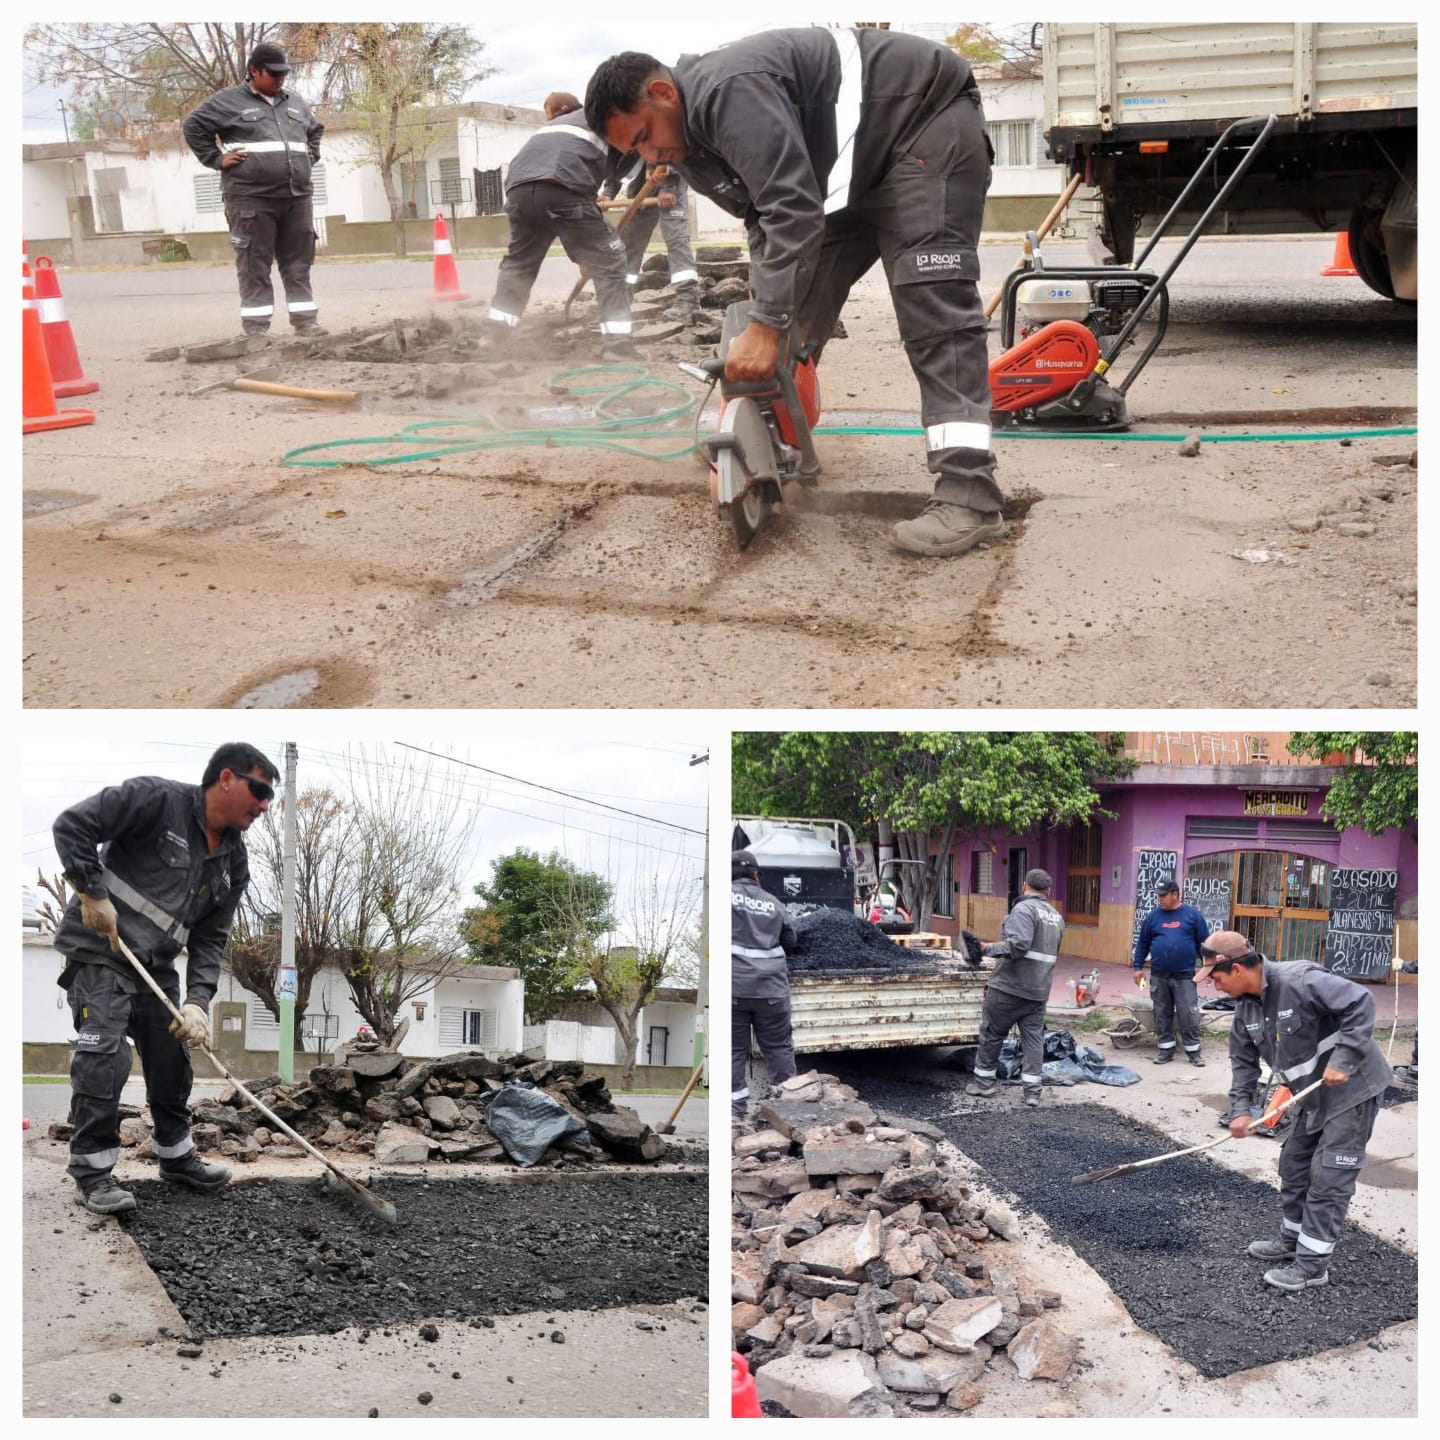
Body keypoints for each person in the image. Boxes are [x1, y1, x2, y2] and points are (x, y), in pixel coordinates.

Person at [585, 30, 1002, 558]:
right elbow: (765, 219)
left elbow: (792, 207)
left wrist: (765, 323)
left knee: (932, 308)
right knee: (790, 314)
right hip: (852, 170)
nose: (650, 155)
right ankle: (769, 437)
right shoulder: (686, 143)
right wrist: (770, 315)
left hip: (924, 124)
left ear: (664, 92)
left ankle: (970, 496)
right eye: (635, 150)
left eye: (644, 135)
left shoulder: (724, 91)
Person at [52, 743, 279, 1215]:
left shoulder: (234, 864)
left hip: (155, 968)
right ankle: (93, 1173)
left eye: (268, 797)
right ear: (225, 778)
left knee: (172, 1057)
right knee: (107, 1054)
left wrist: (197, 1002)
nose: (264, 805)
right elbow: (71, 826)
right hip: (101, 953)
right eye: (259, 790)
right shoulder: (156, 801)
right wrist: (91, 894)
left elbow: (211, 939)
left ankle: (175, 1156)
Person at [1200, 931, 1394, 1292]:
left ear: (1238, 969)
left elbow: (1361, 1001)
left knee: (1328, 1176)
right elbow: (1242, 1064)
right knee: (1294, 1164)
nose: (1214, 987)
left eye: (1216, 978)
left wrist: (1345, 1058)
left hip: (1352, 1091)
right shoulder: (1245, 1009)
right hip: (1312, 1097)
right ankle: (1292, 1240)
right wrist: (1241, 1111)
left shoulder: (1299, 980)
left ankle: (1312, 1266)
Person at [182, 43, 327, 344]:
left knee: (298, 262)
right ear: (253, 71)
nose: (279, 80)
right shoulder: (228, 101)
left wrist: (310, 154)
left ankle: (306, 322)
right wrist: (216, 158)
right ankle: (257, 329)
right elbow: (193, 125)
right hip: (251, 199)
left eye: (283, 74)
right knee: (254, 264)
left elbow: (315, 129)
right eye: (273, 74)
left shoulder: (295, 102)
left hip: (297, 196)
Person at [482, 90, 641, 360]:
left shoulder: (554, 127)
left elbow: (571, 159)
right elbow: (621, 165)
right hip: (563, 188)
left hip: (519, 190)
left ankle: (493, 337)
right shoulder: (608, 117)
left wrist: (591, 205)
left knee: (519, 265)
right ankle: (619, 347)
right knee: (611, 261)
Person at [968, 869, 1064, 1107]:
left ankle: (984, 1084)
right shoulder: (1056, 917)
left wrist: (986, 948)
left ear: (1024, 886)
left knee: (992, 1033)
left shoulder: (1023, 909)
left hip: (1009, 987)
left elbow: (1019, 946)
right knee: (1033, 1040)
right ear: (1048, 891)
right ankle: (1032, 1092)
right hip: (1038, 991)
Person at [731, 849, 798, 1119]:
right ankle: (785, 1111)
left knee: (734, 1050)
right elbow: (791, 941)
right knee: (778, 1047)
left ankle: (735, 1112)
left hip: (733, 988)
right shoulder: (774, 904)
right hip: (771, 990)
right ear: (756, 875)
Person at [605, 160, 702, 321]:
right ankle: (621, 295)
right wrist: (607, 192)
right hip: (647, 174)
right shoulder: (616, 142)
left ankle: (688, 300)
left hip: (671, 170)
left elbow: (671, 150)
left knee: (675, 237)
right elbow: (618, 162)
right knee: (630, 238)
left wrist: (668, 187)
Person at [1132, 878, 1210, 1067]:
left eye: (1164, 895)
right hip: (1159, 975)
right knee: (1161, 1013)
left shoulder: (1193, 916)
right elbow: (1142, 943)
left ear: (1175, 894)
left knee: (1188, 1014)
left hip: (1185, 976)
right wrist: (1137, 968)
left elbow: (1205, 945)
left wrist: (1210, 969)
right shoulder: (1152, 917)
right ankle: (1166, 1049)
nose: (1160, 899)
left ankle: (1193, 1052)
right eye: (1158, 895)